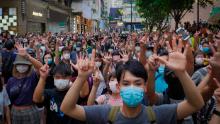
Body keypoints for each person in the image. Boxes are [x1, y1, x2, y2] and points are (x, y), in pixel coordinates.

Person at [60, 49, 204, 123]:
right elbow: (67, 108)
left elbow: (195, 104)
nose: (132, 87)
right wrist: (81, 78)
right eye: (126, 83)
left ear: (145, 87)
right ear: (118, 86)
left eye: (137, 83)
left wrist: (182, 73)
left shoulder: (159, 114)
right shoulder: (104, 114)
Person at [6, 43, 43, 124]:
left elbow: (41, 68)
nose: (22, 66)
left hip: (30, 111)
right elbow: (8, 101)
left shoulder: (32, 76)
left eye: (24, 64)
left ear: (29, 66)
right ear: (15, 66)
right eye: (19, 64)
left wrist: (28, 57)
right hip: (15, 112)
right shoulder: (10, 81)